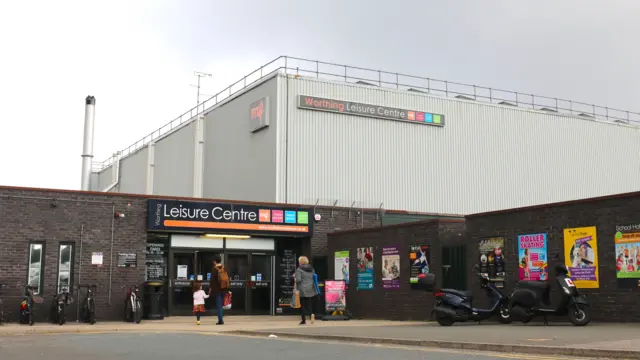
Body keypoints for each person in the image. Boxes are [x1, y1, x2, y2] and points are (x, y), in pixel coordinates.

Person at [294, 256, 318, 325]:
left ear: (300, 262)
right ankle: (311, 315)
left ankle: (303, 320)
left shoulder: (299, 269)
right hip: (310, 288)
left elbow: (298, 280)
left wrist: (295, 277)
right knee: (308, 303)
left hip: (302, 289)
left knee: (302, 305)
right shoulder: (312, 269)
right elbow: (313, 277)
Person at [208, 255, 229, 325]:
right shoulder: (224, 268)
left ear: (214, 261)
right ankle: (221, 318)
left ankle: (221, 320)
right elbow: (227, 279)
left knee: (219, 305)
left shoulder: (214, 269)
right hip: (224, 289)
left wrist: (210, 289)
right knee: (222, 305)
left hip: (217, 290)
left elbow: (212, 281)